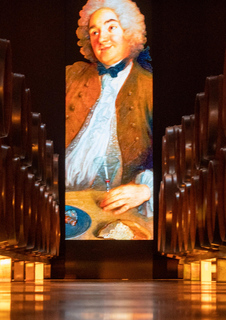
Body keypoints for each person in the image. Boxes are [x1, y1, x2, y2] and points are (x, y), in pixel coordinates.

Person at [65, 0, 153, 217]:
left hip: (111, 207)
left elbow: (175, 154)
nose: (101, 38)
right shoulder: (72, 74)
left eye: (111, 27)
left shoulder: (149, 85)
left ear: (129, 32)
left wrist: (146, 189)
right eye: (94, 32)